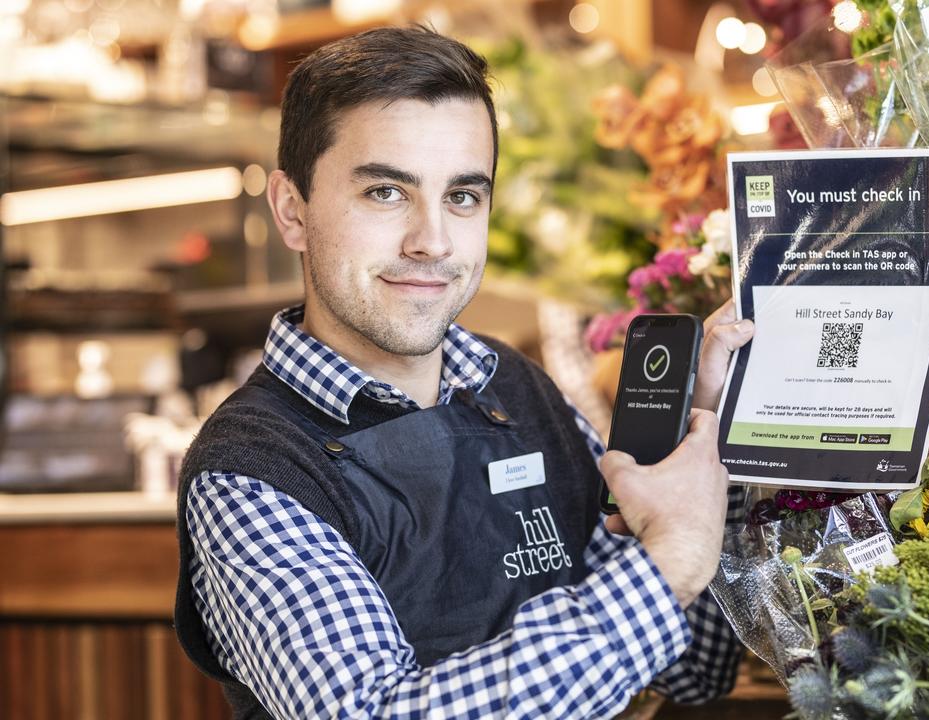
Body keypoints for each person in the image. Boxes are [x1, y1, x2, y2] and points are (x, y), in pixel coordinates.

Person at [174, 24, 756, 720]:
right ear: (292, 210)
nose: (433, 241)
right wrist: (665, 569)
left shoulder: (515, 387)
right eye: (386, 193)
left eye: (462, 196)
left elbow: (695, 667)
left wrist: (717, 437)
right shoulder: (252, 469)